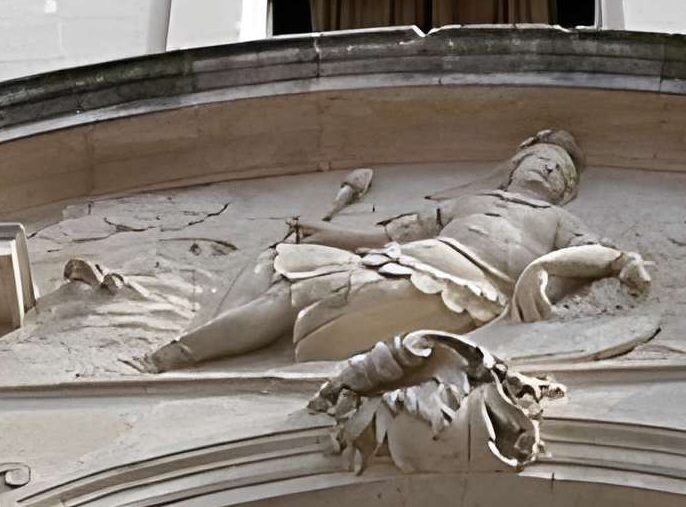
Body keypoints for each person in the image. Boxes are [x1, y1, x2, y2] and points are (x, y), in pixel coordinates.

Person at [144, 130, 650, 371]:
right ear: (516, 165)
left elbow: (603, 255)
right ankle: (185, 352)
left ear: (564, 191)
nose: (547, 170)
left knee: (316, 295)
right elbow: (390, 235)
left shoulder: (557, 221)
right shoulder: (469, 202)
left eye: (558, 171)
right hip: (407, 262)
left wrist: (550, 268)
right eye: (540, 160)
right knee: (291, 276)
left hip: (463, 289)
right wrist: (323, 232)